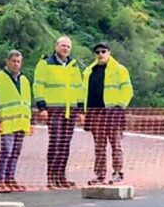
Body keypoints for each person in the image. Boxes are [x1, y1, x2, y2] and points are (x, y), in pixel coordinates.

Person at [34, 36, 84, 189]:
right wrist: (42, 107)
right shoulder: (45, 64)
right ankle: (51, 177)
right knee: (55, 142)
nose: (65, 49)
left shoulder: (73, 66)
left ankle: (61, 176)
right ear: (56, 46)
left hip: (70, 110)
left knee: (65, 143)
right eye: (63, 45)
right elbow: (38, 86)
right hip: (54, 109)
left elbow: (79, 88)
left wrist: (81, 110)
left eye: (68, 46)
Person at [82, 42, 133, 185]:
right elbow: (83, 92)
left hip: (113, 113)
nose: (100, 54)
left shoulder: (119, 69)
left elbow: (127, 91)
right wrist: (84, 111)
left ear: (109, 52)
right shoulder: (88, 72)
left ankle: (117, 172)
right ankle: (99, 175)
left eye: (103, 51)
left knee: (115, 144)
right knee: (99, 146)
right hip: (95, 113)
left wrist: (120, 108)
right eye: (97, 52)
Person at [0, 50, 32, 193]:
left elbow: (28, 102)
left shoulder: (24, 80)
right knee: (6, 150)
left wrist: (32, 123)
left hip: (21, 122)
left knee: (16, 152)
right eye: (13, 61)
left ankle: (9, 179)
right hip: (6, 122)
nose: (16, 64)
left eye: (18, 62)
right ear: (7, 61)